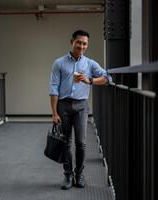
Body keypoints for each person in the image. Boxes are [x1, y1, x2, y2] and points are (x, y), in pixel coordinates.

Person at [49, 30, 111, 190]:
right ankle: (68, 176)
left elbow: (107, 78)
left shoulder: (90, 63)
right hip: (63, 105)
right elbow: (53, 88)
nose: (81, 46)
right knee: (66, 142)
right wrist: (54, 113)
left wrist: (89, 80)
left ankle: (79, 175)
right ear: (72, 42)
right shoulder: (59, 63)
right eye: (79, 42)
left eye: (85, 44)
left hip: (81, 106)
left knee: (81, 143)